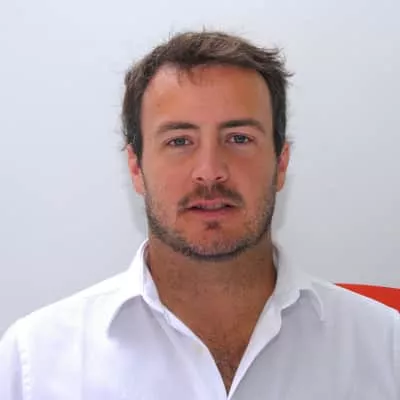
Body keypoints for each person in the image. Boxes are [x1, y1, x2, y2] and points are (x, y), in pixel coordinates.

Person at [0, 31, 398, 400]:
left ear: (281, 163)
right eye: (179, 141)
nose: (209, 171)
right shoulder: (34, 363)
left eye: (239, 138)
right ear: (136, 168)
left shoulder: (386, 347)